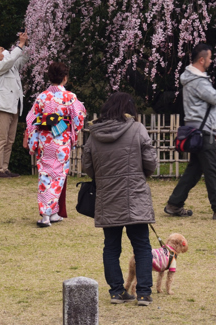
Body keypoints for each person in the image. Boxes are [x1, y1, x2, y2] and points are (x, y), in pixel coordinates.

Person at [81, 92, 158, 306]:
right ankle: (143, 293)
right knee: (142, 245)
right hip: (134, 194)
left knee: (111, 246)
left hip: (107, 196)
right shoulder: (137, 128)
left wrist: (102, 178)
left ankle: (116, 292)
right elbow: (150, 161)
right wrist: (141, 175)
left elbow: (87, 166)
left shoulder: (94, 133)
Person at [164, 43, 216, 220]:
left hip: (196, 129)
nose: (211, 61)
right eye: (210, 58)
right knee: (212, 169)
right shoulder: (197, 80)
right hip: (203, 131)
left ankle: (174, 204)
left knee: (195, 170)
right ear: (202, 59)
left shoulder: (193, 79)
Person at [25, 62, 87, 227]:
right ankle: (46, 213)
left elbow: (31, 119)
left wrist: (35, 137)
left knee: (45, 174)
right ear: (65, 78)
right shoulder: (69, 97)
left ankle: (53, 212)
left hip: (45, 140)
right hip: (61, 141)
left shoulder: (42, 97)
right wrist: (72, 131)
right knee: (58, 176)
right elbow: (79, 117)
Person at [0, 32, 30, 178]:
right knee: (1, 138)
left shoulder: (10, 65)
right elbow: (10, 60)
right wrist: (19, 44)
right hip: (3, 106)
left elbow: (23, 58)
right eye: (2, 50)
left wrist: (25, 45)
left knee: (10, 139)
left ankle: (5, 168)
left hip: (13, 106)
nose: (5, 50)